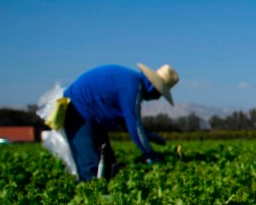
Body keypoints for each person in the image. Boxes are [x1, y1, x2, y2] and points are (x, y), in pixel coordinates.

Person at [51, 63, 179, 181]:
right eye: (160, 94)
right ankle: (89, 198)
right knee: (91, 169)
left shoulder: (132, 82)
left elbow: (126, 123)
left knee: (106, 161)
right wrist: (151, 155)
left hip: (92, 115)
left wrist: (152, 137)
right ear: (154, 88)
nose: (157, 98)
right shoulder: (132, 87)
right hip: (78, 111)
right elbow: (134, 127)